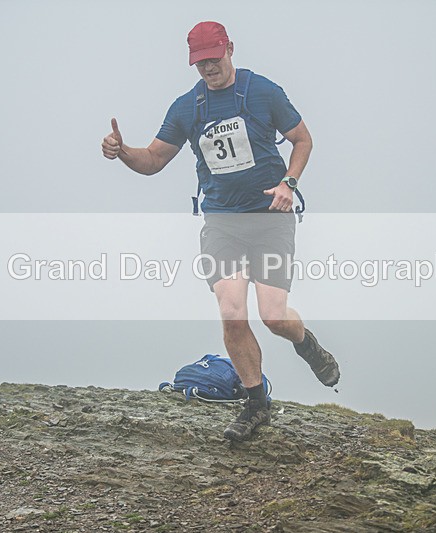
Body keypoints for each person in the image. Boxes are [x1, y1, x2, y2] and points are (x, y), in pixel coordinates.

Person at [102, 21, 339, 441]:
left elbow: (302, 139)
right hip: (221, 222)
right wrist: (123, 153)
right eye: (200, 63)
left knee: (273, 316)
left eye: (214, 59)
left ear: (230, 48)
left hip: (269, 217)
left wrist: (290, 183)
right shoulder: (187, 107)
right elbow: (154, 160)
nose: (208, 69)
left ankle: (309, 346)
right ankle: (256, 404)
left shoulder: (263, 91)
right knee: (231, 313)